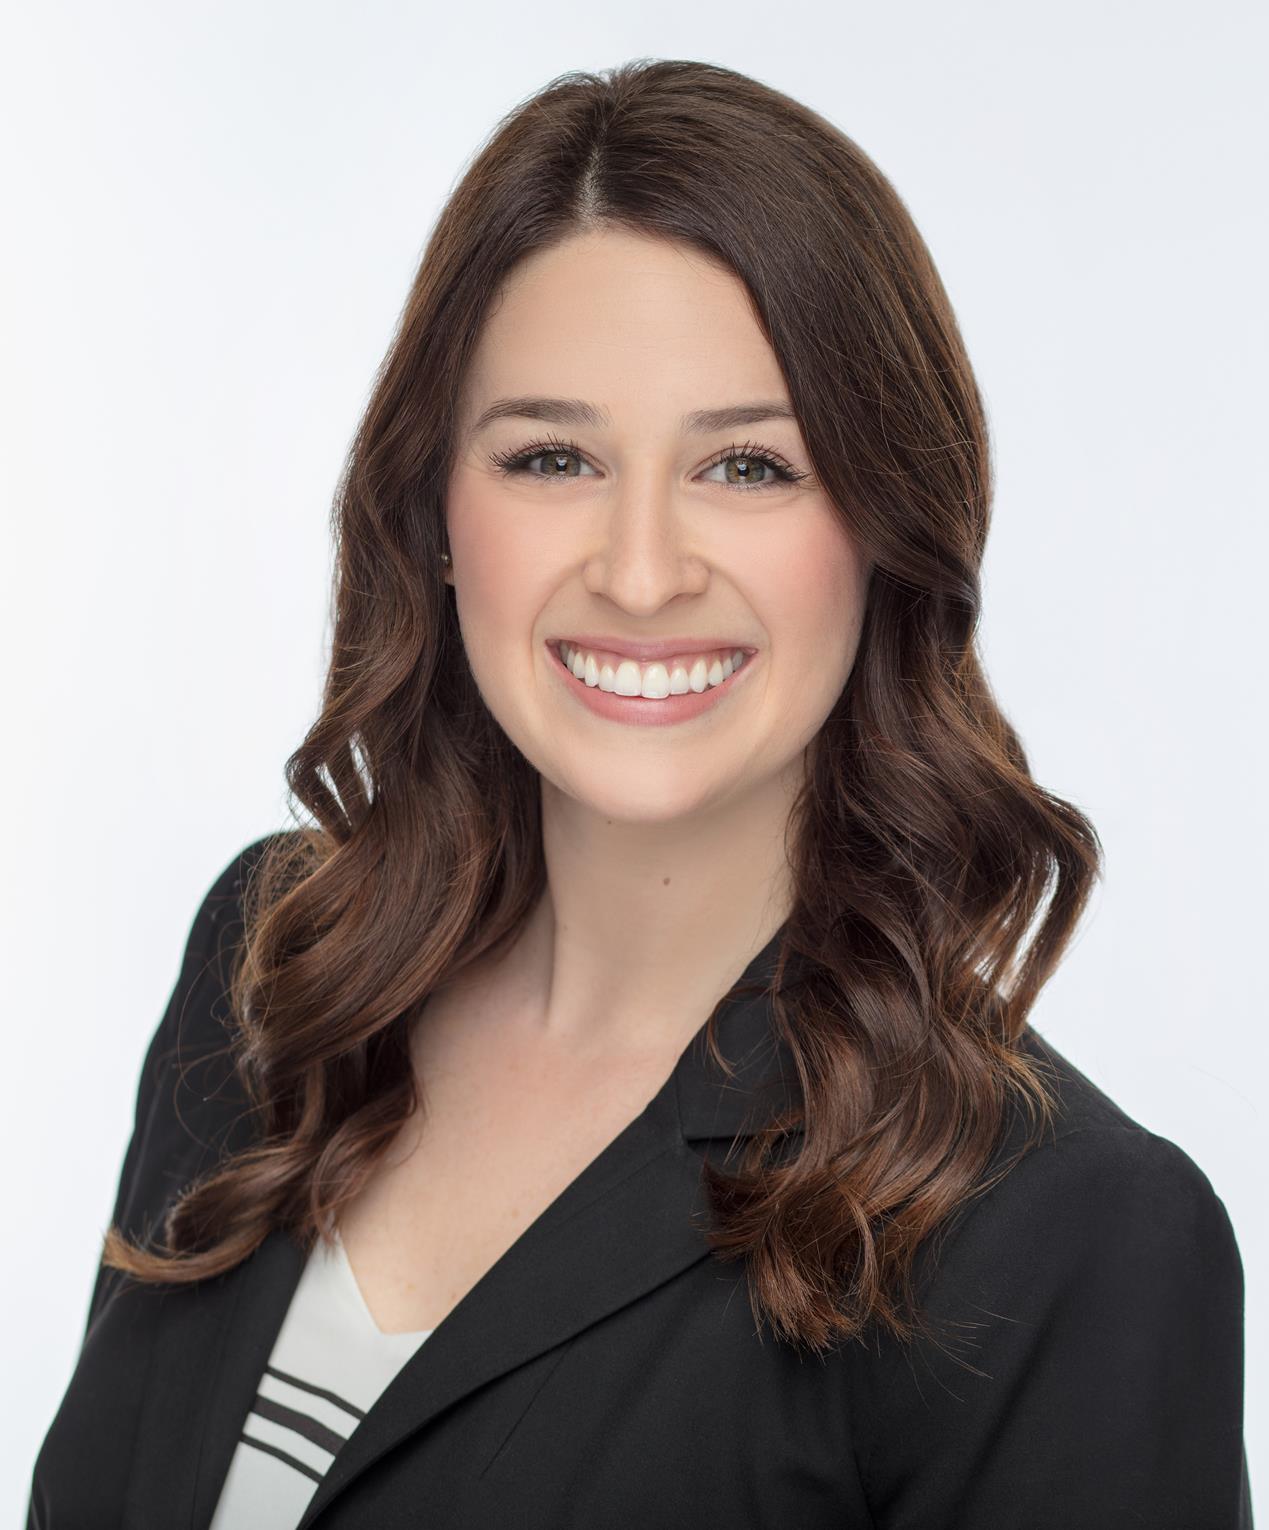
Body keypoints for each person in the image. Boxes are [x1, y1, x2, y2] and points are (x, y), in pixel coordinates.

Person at [27, 58, 1251, 1529]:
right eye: (552, 456)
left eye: (747, 464)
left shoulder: (1060, 1237)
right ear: (432, 514)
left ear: (884, 525)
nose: (641, 569)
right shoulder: (275, 973)